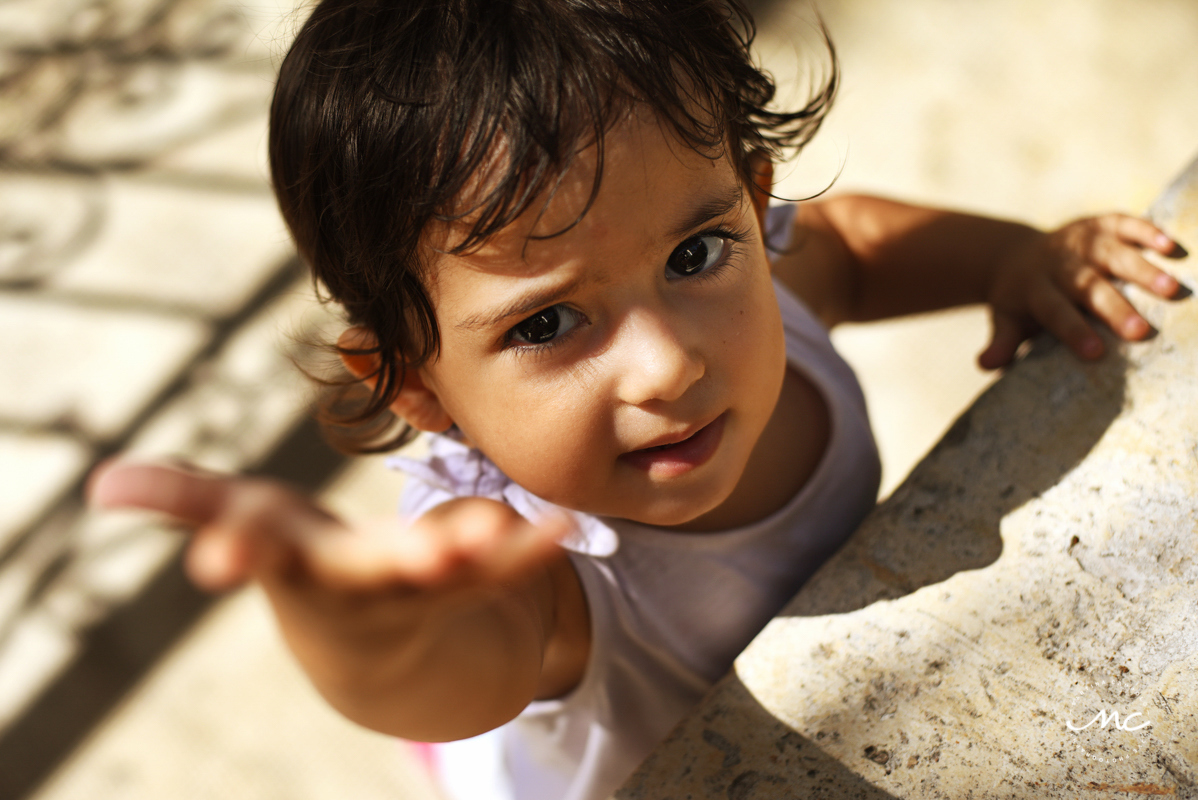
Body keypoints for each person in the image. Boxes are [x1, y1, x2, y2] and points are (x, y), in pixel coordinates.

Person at [89, 1, 1186, 798]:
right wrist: (357, 623)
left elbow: (852, 239)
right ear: (417, 386)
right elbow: (452, 670)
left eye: (697, 249)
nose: (665, 362)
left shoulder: (776, 276)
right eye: (547, 323)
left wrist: (1021, 258)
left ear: (756, 205)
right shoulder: (534, 561)